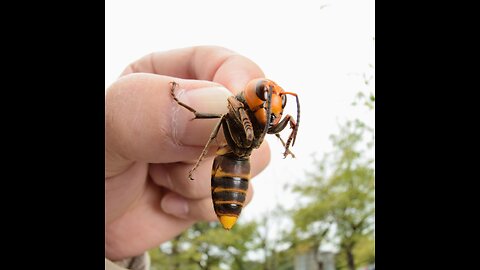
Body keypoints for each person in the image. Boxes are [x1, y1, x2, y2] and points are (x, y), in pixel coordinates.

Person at [105, 46, 271, 270]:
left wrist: (111, 248)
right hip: (232, 166)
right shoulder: (234, 104)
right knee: (219, 116)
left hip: (236, 165)